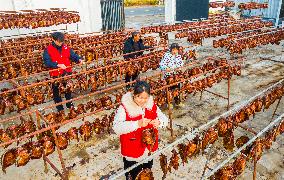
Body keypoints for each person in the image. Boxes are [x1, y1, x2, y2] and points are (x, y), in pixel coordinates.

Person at [113, 81, 168, 179]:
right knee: (133, 174)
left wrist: (159, 122)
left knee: (147, 173)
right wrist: (137, 124)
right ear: (134, 95)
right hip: (132, 150)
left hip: (148, 149)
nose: (143, 101)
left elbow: (165, 119)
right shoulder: (124, 108)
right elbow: (117, 128)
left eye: (146, 98)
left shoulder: (152, 105)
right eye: (139, 97)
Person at [43, 32, 83, 112]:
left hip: (67, 73)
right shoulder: (48, 50)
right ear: (53, 40)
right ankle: (60, 108)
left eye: (62, 41)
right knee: (56, 92)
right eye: (59, 41)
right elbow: (47, 62)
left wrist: (79, 59)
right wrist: (57, 64)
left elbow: (73, 56)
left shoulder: (66, 48)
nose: (60, 43)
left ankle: (69, 105)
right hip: (56, 75)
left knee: (68, 89)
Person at [159, 43, 184, 107]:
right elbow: (161, 64)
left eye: (176, 50)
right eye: (173, 50)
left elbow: (181, 63)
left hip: (176, 75)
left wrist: (180, 67)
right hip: (168, 75)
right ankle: (169, 103)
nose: (174, 51)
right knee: (169, 89)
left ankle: (177, 102)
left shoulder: (178, 56)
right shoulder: (167, 55)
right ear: (171, 50)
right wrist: (166, 68)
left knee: (177, 88)